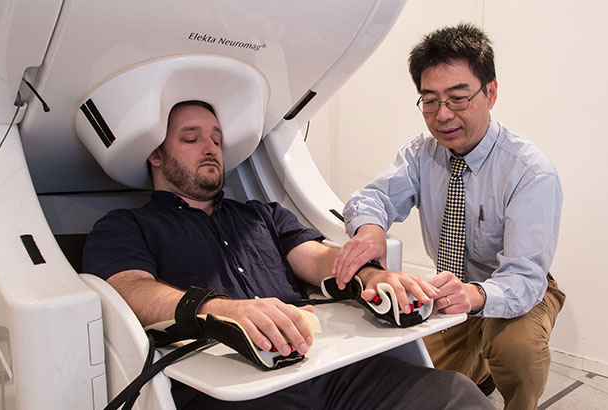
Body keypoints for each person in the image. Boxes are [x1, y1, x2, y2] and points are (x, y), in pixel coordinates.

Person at [83, 100, 494, 410]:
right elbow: (129, 289)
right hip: (232, 388)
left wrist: (370, 276)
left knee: (456, 394)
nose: (210, 148)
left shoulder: (262, 214)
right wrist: (223, 311)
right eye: (191, 139)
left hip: (325, 368)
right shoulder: (124, 226)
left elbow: (316, 258)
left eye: (216, 139)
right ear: (155, 154)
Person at [332, 23, 566, 410]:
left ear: (490, 93)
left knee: (517, 350)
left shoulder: (529, 172)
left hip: (518, 288)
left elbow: (525, 277)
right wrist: (370, 228)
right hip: (451, 287)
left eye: (458, 98)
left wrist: (475, 296)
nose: (443, 116)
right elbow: (372, 197)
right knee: (410, 370)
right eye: (429, 100)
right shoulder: (421, 154)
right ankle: (479, 368)